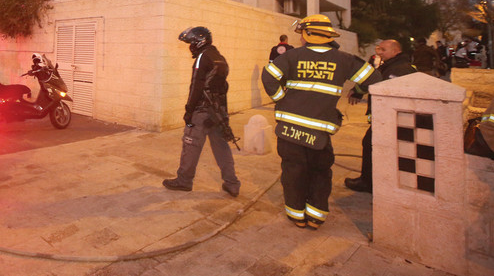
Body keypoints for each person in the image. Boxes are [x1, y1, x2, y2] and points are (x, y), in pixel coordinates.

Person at [261, 14, 381, 229]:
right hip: (320, 130)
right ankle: (316, 216)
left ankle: (296, 215)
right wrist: (358, 91)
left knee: (293, 170)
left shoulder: (292, 56)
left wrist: (281, 98)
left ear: (307, 34)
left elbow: (269, 76)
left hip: (290, 127)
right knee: (320, 171)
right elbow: (374, 80)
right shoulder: (345, 59)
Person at [163, 26, 241, 198]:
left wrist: (189, 111)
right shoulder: (219, 57)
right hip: (218, 113)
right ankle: (232, 183)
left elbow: (196, 87)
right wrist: (224, 116)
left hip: (202, 111)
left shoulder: (202, 58)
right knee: (221, 147)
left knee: (190, 144)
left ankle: (183, 181)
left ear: (199, 41)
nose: (190, 46)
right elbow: (223, 89)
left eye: (191, 42)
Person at [344, 39, 415, 193]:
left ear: (396, 51)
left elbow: (380, 84)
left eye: (383, 50)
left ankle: (367, 182)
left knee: (370, 145)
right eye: (378, 49)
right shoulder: (392, 65)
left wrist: (358, 90)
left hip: (390, 118)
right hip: (392, 118)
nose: (379, 52)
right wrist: (359, 90)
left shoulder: (398, 69)